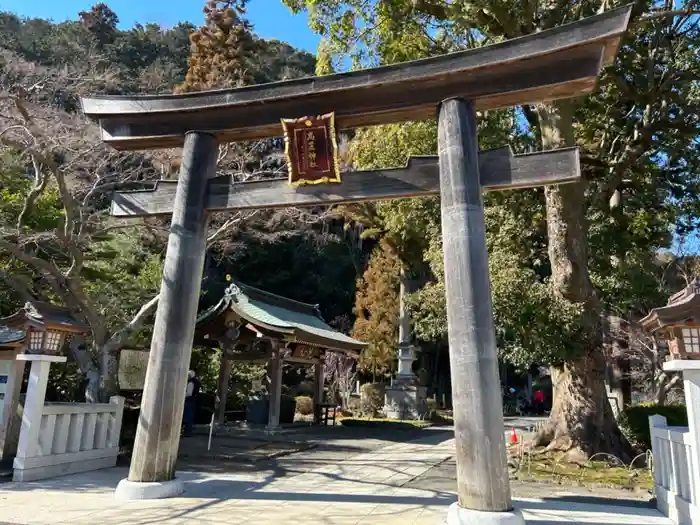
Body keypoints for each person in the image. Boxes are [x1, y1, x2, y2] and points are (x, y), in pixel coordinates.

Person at [182, 370, 200, 436]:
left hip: (189, 400)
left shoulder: (191, 383)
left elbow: (189, 393)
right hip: (194, 401)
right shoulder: (196, 382)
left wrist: (182, 395)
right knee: (190, 416)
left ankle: (187, 432)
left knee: (187, 416)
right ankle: (189, 431)